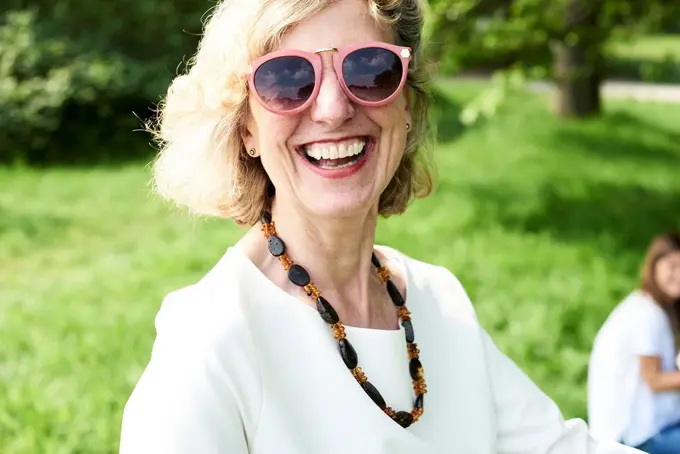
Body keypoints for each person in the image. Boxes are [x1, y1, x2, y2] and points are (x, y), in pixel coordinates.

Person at [118, 0, 639, 452]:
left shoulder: (438, 301)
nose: (332, 109)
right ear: (247, 126)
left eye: (369, 70)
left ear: (406, 105)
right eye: (287, 79)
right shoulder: (213, 340)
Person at [588, 232, 680, 454]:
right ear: (654, 266)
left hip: (653, 426)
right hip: (634, 436)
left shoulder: (656, 310)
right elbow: (654, 379)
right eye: (673, 265)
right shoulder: (644, 314)